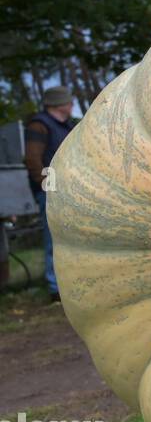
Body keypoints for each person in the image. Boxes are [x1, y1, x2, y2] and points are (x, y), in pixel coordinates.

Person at [24, 86, 78, 301]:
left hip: (68, 191)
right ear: (58, 104)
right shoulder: (39, 125)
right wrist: (46, 185)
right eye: (69, 101)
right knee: (53, 240)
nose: (72, 105)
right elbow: (32, 159)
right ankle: (55, 288)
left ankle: (71, 284)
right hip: (51, 192)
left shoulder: (66, 126)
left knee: (71, 239)